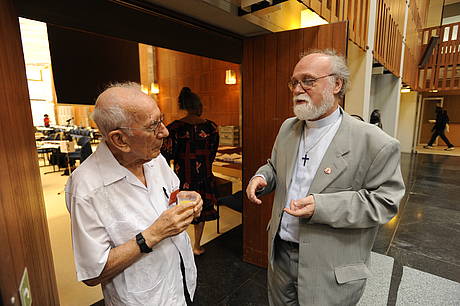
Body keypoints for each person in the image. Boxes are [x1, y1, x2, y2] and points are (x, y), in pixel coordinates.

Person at [246, 49, 405, 305]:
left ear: (337, 84)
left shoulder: (375, 142)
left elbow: (385, 202)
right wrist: (262, 177)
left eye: (308, 81)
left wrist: (322, 206)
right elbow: (274, 167)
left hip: (330, 268)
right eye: (294, 82)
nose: (298, 89)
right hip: (281, 257)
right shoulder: (288, 128)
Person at [65, 82, 203, 305]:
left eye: (162, 119)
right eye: (153, 126)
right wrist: (152, 235)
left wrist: (189, 200)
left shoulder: (154, 159)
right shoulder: (86, 189)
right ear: (120, 139)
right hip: (143, 298)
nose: (165, 131)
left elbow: (171, 195)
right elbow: (93, 273)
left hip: (182, 282)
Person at [161, 87, 219, 255]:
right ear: (199, 106)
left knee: (182, 212)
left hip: (183, 177)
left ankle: (181, 248)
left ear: (183, 106)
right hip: (204, 177)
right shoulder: (211, 127)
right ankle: (197, 246)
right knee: (200, 212)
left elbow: (166, 155)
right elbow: (212, 153)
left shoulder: (174, 128)